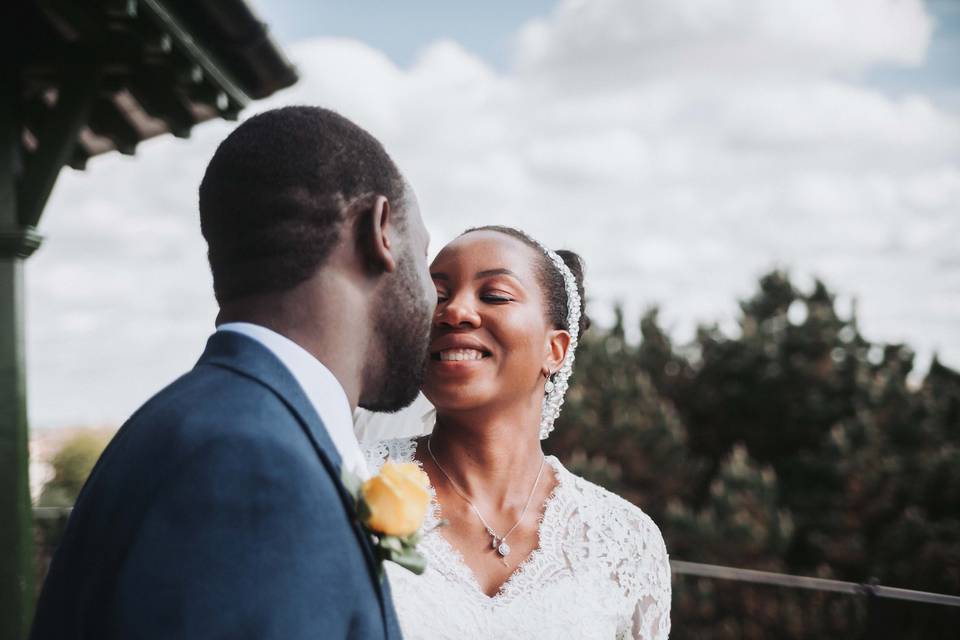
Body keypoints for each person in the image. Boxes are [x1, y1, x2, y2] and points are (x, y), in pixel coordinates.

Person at [30, 106, 435, 639]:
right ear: (377, 229)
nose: (436, 302)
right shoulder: (254, 468)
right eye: (426, 263)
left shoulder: (191, 422)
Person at [363, 226, 672, 639]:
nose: (454, 312)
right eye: (437, 296)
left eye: (494, 295)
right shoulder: (351, 481)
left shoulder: (625, 541)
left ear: (555, 349)